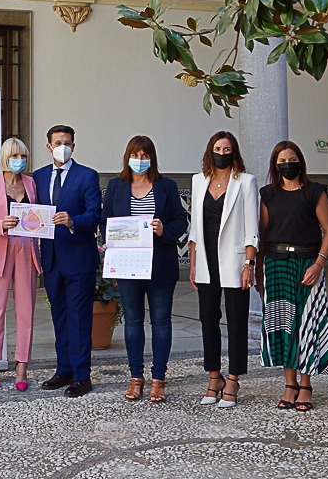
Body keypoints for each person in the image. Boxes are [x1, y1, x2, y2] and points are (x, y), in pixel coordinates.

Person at [101, 135, 187, 403]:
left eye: (144, 155)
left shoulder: (167, 186)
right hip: (128, 266)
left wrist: (164, 230)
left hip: (160, 264)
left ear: (152, 158)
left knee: (161, 322)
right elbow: (106, 222)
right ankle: (136, 377)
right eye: (135, 155)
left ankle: (158, 379)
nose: (140, 160)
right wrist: (109, 243)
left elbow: (181, 221)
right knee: (133, 322)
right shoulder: (116, 186)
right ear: (127, 157)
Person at [257, 140, 328, 411]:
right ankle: (289, 384)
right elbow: (263, 236)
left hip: (306, 264)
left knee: (306, 322)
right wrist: (258, 273)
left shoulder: (314, 192)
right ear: (275, 165)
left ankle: (306, 384)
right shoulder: (268, 194)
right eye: (281, 160)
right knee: (283, 324)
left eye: (291, 159)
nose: (286, 164)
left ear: (300, 161)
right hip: (275, 264)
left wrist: (318, 264)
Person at [188, 131, 258, 408]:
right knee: (207, 319)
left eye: (227, 149)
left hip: (235, 262)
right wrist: (193, 262)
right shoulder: (198, 181)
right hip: (206, 262)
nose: (222, 153)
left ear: (234, 152)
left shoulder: (246, 182)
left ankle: (233, 378)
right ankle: (214, 376)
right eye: (217, 148)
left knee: (237, 321)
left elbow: (252, 228)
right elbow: (195, 227)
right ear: (210, 150)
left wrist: (249, 264)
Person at [32, 125, 102, 398]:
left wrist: (74, 221)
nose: (63, 146)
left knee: (79, 318)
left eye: (68, 142)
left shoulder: (87, 175)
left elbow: (94, 214)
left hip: (79, 258)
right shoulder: (37, 177)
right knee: (59, 316)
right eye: (58, 142)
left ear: (74, 146)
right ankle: (64, 370)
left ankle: (82, 376)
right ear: (49, 147)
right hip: (51, 258)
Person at [0, 137, 41, 391]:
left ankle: (22, 366)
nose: (19, 161)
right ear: (5, 157)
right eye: (15, 156)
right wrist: (0, 225)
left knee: (26, 312)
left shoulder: (30, 183)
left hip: (26, 252)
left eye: (23, 157)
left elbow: (37, 216)